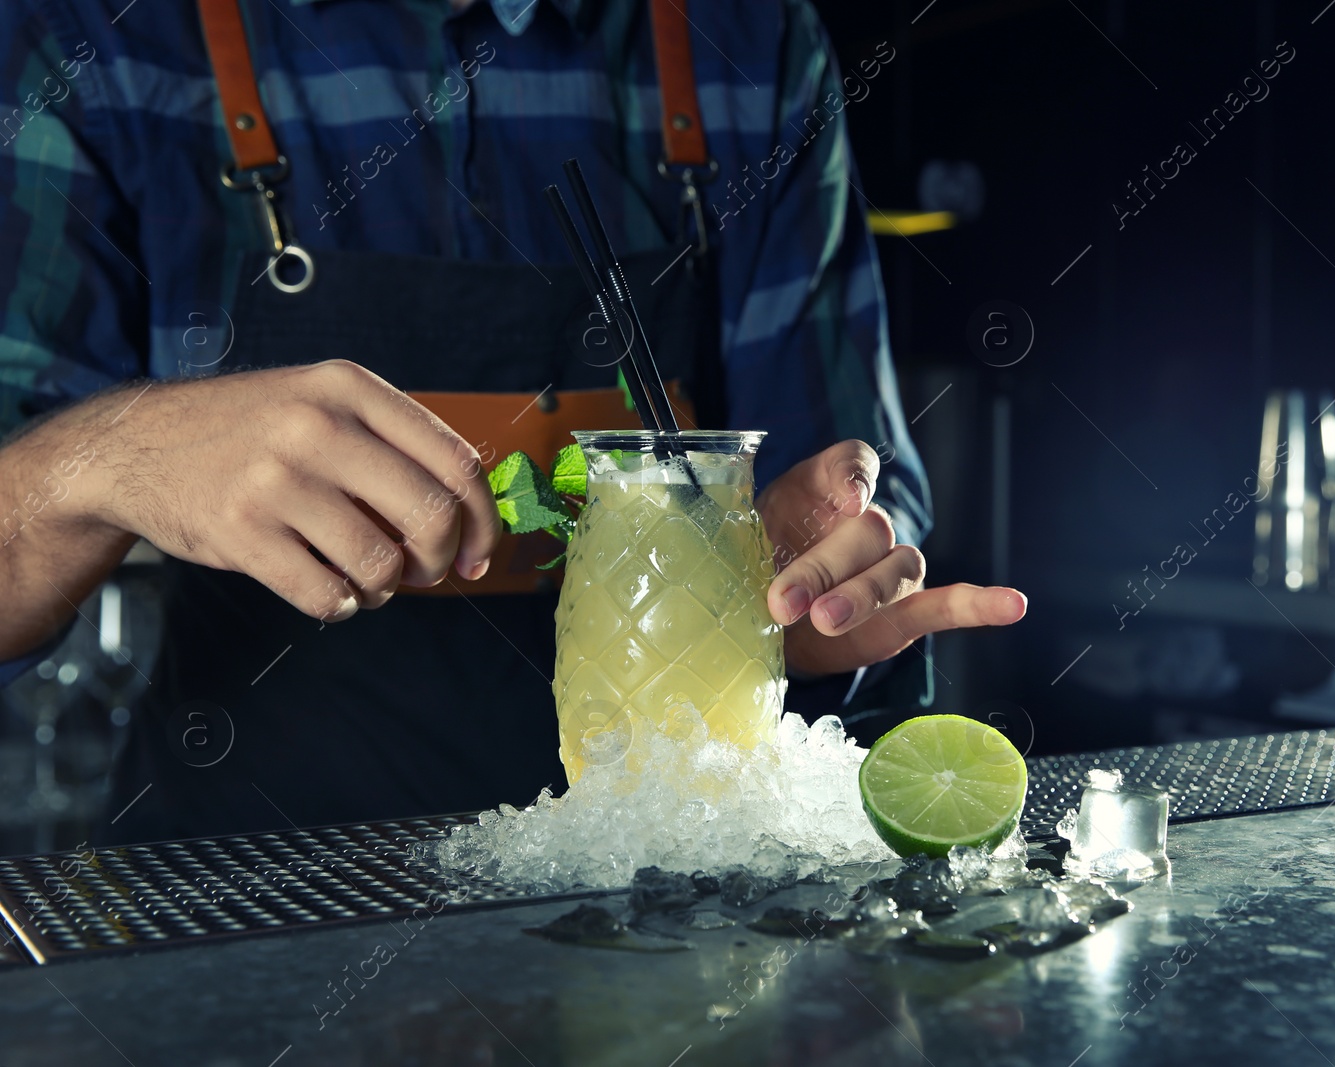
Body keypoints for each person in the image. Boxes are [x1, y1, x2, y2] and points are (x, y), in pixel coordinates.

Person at [0, 0, 1026, 843]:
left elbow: (845, 526)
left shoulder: (748, 45)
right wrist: (103, 457)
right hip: (240, 891)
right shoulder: (98, 35)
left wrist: (813, 601)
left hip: (647, 901)